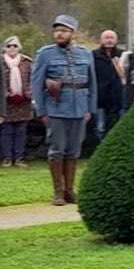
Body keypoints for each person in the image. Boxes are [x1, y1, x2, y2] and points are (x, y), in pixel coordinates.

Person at [30, 15, 97, 205]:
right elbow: (36, 84)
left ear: (72, 33)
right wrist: (42, 111)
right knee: (57, 150)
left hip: (80, 108)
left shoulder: (85, 54)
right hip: (56, 108)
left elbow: (92, 84)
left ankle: (69, 190)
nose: (59, 34)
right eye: (57, 30)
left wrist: (90, 108)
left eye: (64, 30)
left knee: (74, 150)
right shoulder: (45, 54)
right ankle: (58, 193)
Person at [1, 36, 34, 168]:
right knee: (6, 130)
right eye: (9, 46)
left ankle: (19, 157)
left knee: (21, 131)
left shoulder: (27, 62)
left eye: (14, 46)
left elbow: (33, 80)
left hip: (23, 102)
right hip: (5, 103)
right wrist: (7, 95)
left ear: (19, 47)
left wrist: (27, 94)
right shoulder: (1, 61)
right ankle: (7, 157)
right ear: (5, 48)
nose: (12, 48)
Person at [91, 29, 124, 142]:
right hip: (100, 98)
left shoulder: (123, 55)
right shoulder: (93, 56)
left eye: (112, 38)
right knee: (100, 128)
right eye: (107, 38)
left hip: (118, 97)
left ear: (116, 40)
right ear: (101, 40)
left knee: (121, 126)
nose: (109, 40)